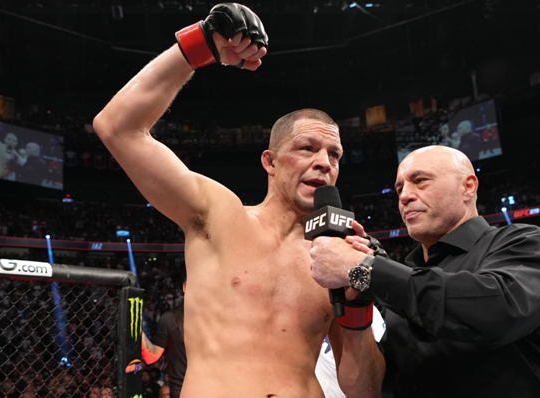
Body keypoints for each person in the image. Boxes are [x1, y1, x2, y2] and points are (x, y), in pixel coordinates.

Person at [93, 4, 351, 397]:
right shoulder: (218, 214)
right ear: (270, 161)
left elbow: (362, 385)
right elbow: (118, 127)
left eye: (334, 155)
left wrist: (364, 293)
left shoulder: (335, 258)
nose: (324, 163)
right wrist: (201, 45)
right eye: (307, 148)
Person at [309, 145, 540, 397]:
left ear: (468, 187)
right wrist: (358, 303)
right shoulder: (403, 276)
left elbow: (498, 311)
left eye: (420, 181)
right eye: (400, 188)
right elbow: (371, 389)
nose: (404, 196)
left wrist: (369, 270)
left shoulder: (527, 243)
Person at [142, 279, 186, 398]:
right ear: (185, 287)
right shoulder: (170, 319)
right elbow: (151, 357)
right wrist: (136, 329)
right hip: (183, 390)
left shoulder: (218, 317)